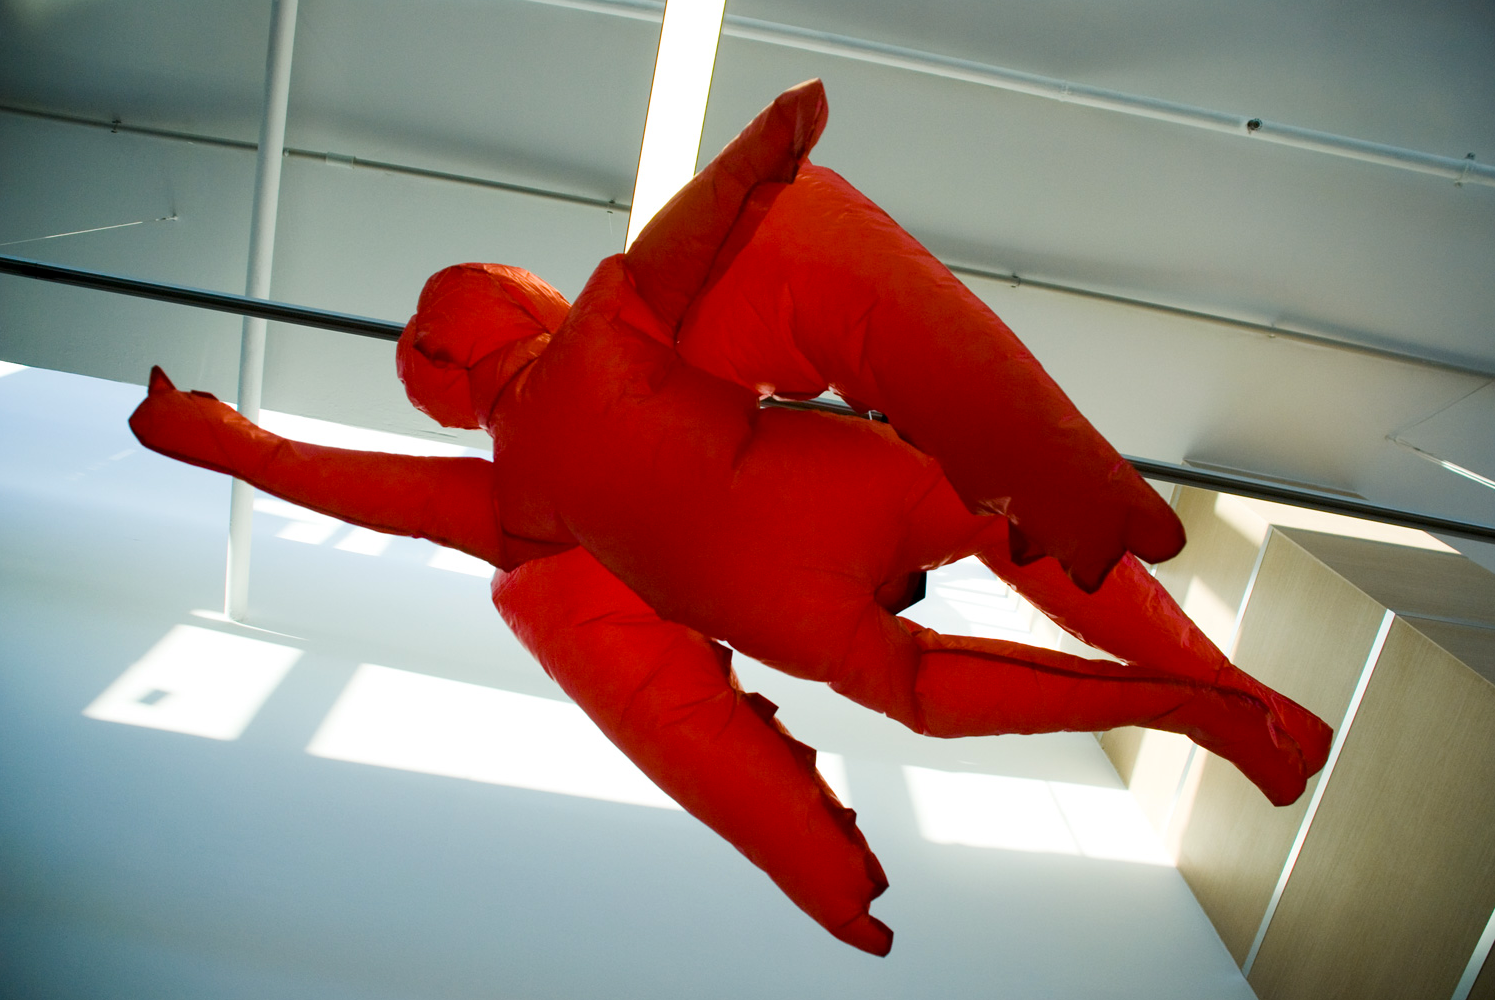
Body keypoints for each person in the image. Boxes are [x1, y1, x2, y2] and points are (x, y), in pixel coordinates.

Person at [129, 80, 1331, 956]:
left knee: (915, 683)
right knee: (1000, 517)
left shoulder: (511, 511)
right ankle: (1227, 685)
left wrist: (213, 437)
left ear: (447, 393)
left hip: (791, 618)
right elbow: (710, 234)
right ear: (524, 302)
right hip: (854, 489)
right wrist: (761, 153)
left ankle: (1197, 707)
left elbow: (331, 481)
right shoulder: (609, 327)